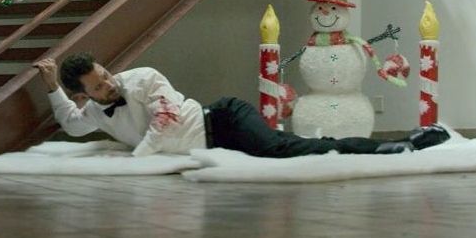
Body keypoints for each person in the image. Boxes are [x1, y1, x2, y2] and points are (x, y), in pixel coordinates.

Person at [37, 53, 450, 158]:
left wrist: (138, 158)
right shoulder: (93, 111)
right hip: (215, 146)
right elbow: (72, 124)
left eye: (106, 74)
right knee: (290, 149)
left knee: (283, 149)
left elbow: (165, 119)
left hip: (223, 121)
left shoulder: (142, 78)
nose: (110, 84)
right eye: (99, 86)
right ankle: (387, 147)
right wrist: (53, 86)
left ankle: (400, 144)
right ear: (85, 95)